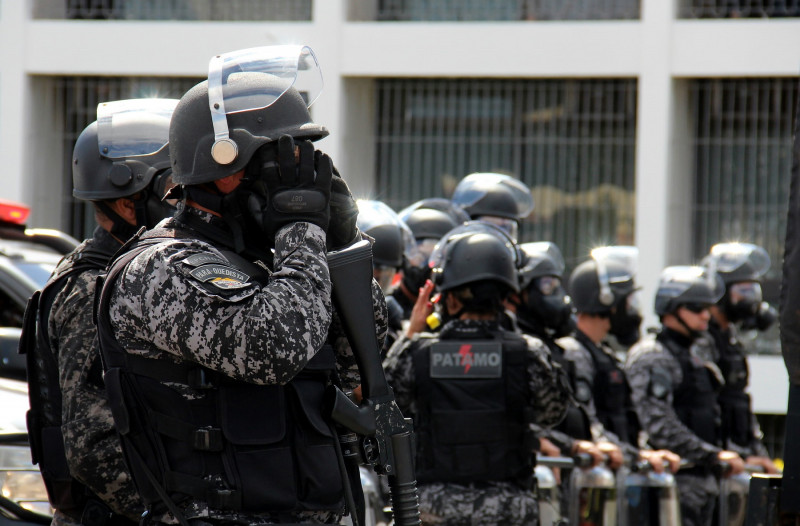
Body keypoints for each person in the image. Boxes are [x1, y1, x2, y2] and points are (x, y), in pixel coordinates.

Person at [94, 46, 386, 526]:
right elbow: (272, 351)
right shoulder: (161, 266)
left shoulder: (277, 267)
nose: (302, 175)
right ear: (226, 171)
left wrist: (341, 243)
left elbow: (361, 354)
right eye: (283, 161)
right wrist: (301, 231)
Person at [22, 98, 179, 526]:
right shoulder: (92, 288)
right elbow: (93, 446)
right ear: (128, 204)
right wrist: (176, 515)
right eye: (170, 192)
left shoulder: (132, 273)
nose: (181, 205)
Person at [383, 227, 571, 526]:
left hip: (433, 510)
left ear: (452, 299)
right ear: (505, 296)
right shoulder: (529, 353)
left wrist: (411, 333)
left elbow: (385, 408)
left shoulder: (417, 353)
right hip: (508, 510)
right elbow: (553, 413)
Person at [625, 265, 746, 526]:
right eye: (696, 308)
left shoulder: (696, 356)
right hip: (670, 487)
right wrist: (711, 455)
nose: (706, 315)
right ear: (671, 309)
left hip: (705, 486)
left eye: (707, 308)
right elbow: (659, 425)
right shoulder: (652, 355)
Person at [557, 247, 680, 472]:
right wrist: (636, 455)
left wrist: (643, 451)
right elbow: (590, 423)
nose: (632, 310)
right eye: (627, 302)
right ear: (606, 301)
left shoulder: (606, 354)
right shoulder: (574, 352)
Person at [700, 242, 778, 474]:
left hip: (739, 466)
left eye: (752, 291)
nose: (750, 299)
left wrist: (760, 459)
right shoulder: (701, 342)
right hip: (717, 465)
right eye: (742, 291)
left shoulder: (731, 340)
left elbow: (740, 404)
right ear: (719, 291)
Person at [392, 206, 459, 319]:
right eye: (420, 256)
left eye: (436, 258)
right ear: (402, 256)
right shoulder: (384, 307)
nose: (428, 266)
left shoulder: (454, 307)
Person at [450, 172, 534, 241]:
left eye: (506, 228)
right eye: (487, 227)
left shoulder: (518, 259)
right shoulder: (446, 255)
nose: (499, 236)